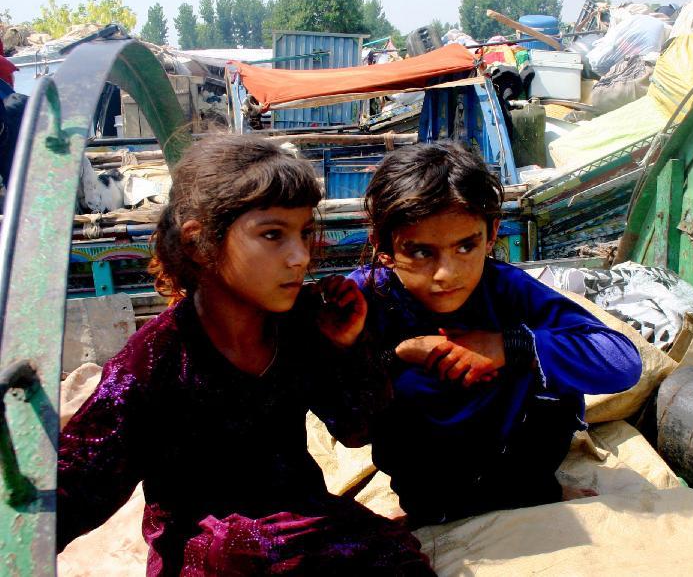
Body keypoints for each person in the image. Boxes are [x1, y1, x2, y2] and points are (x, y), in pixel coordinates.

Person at [58, 135, 434, 576]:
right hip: (208, 546)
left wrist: (345, 346)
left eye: (305, 233)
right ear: (200, 244)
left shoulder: (300, 325)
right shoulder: (155, 358)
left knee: (396, 560)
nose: (299, 257)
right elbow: (81, 484)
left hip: (304, 524)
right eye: (273, 235)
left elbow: (355, 430)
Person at [348, 141, 642, 527]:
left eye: (466, 246)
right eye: (421, 252)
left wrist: (508, 346)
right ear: (383, 247)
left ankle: (535, 490)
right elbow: (345, 423)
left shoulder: (507, 288)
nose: (446, 274)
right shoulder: (361, 301)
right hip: (424, 478)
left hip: (518, 458)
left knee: (547, 358)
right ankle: (437, 504)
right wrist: (396, 357)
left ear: (491, 235)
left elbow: (623, 363)